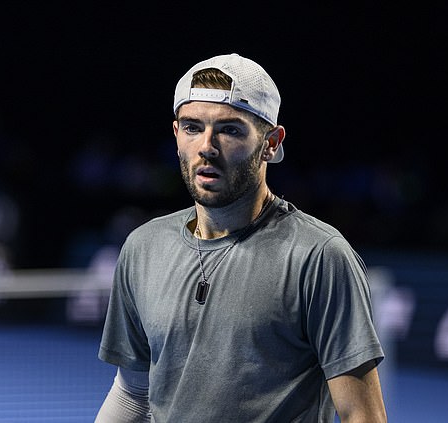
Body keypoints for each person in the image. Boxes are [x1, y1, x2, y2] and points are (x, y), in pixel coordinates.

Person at [95, 53, 387, 422]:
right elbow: (134, 394)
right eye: (192, 127)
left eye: (230, 129)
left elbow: (363, 415)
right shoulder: (143, 247)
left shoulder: (320, 257)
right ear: (176, 134)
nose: (207, 146)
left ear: (271, 142)